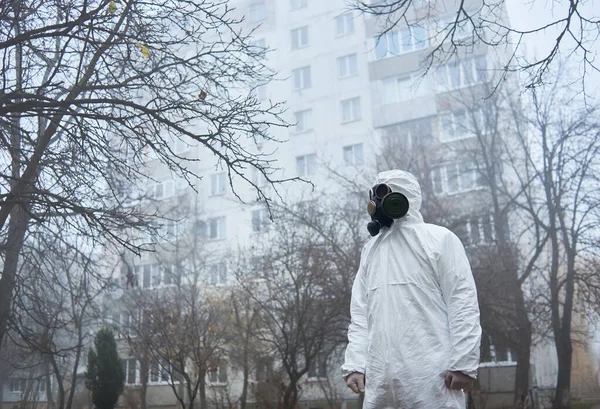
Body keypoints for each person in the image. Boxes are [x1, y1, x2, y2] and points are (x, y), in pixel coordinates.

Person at [342, 170, 482, 409]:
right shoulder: (371, 250)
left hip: (432, 380)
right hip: (381, 384)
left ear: (402, 196)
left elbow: (462, 302)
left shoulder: (439, 239)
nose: (376, 202)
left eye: (383, 193)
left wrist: (463, 363)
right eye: (374, 194)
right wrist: (355, 364)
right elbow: (361, 314)